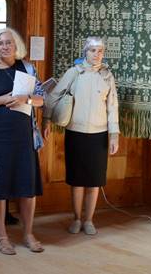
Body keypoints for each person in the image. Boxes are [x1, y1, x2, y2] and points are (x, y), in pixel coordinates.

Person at [0, 27, 45, 255]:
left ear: (16, 46)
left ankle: (28, 234)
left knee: (27, 187)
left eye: (8, 43)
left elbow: (42, 99)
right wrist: (3, 99)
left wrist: (26, 98)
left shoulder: (28, 68)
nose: (4, 46)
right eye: (0, 43)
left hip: (24, 137)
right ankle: (2, 237)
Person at [45, 36, 119, 236]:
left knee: (94, 181)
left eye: (100, 51)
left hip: (99, 134)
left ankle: (89, 220)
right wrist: (46, 120)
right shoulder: (74, 72)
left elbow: (112, 107)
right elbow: (53, 96)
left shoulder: (107, 76)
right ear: (85, 52)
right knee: (77, 180)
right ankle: (77, 218)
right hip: (75, 133)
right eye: (93, 50)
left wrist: (114, 135)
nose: (97, 54)